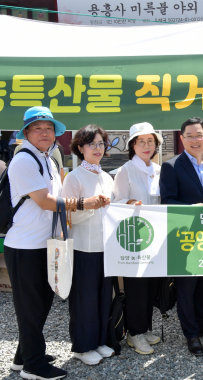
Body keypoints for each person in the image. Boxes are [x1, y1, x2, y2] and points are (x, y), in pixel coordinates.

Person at [4, 107, 105, 380]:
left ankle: (22, 355)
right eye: (38, 128)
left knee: (41, 302)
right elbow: (46, 202)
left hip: (43, 243)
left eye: (48, 128)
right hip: (24, 246)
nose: (44, 133)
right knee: (30, 306)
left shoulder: (47, 159)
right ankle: (33, 366)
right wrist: (84, 203)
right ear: (26, 133)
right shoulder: (24, 160)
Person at [160, 117, 203, 356]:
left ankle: (202, 324)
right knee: (186, 288)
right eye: (190, 136)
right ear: (182, 139)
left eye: (199, 135)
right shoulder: (171, 165)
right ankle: (191, 334)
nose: (195, 140)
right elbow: (166, 201)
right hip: (184, 236)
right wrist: (190, 208)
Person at [61, 125, 114, 365]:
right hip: (83, 247)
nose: (97, 148)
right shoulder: (74, 177)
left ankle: (100, 340)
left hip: (105, 248)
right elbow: (67, 217)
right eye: (91, 144)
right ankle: (82, 347)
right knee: (84, 298)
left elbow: (111, 213)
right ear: (80, 148)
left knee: (103, 296)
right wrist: (88, 205)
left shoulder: (106, 176)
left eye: (101, 143)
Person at [112, 122, 163, 355]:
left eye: (150, 141)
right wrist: (130, 203)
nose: (146, 145)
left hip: (157, 236)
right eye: (140, 141)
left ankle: (145, 328)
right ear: (133, 145)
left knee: (151, 287)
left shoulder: (158, 169)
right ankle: (134, 333)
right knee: (136, 288)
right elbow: (116, 201)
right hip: (135, 237)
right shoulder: (125, 170)